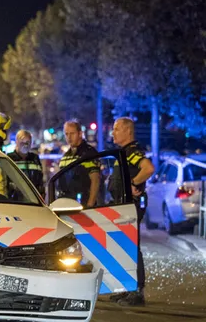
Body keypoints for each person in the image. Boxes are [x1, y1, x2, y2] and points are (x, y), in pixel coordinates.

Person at [108, 117, 155, 306]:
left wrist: (134, 183)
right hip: (122, 205)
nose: (113, 133)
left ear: (128, 131)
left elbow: (148, 168)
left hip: (131, 205)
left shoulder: (132, 152)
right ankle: (126, 288)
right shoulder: (123, 152)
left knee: (131, 247)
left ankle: (137, 291)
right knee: (123, 247)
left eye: (117, 129)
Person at [58, 120, 100, 208]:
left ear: (80, 134)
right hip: (66, 204)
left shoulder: (88, 152)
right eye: (66, 134)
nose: (69, 137)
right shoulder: (65, 156)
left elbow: (95, 180)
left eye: (72, 133)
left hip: (83, 203)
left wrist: (90, 205)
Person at [9, 129, 44, 196]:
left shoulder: (35, 159)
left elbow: (40, 180)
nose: (25, 145)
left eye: (27, 142)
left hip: (34, 199)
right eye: (22, 142)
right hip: (15, 200)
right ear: (16, 142)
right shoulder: (10, 158)